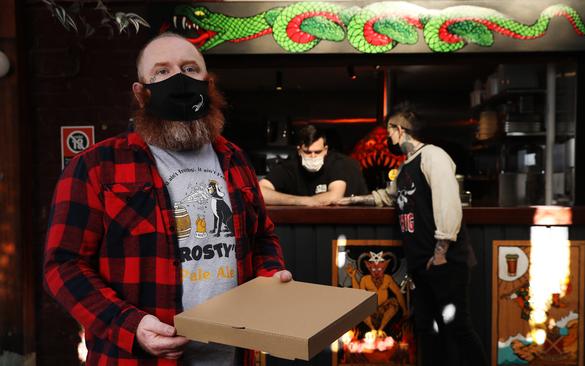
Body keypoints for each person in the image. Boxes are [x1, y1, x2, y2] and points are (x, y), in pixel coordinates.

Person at [43, 32, 292, 365]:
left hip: (231, 356)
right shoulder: (96, 166)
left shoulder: (235, 159)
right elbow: (63, 265)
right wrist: (131, 326)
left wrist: (270, 277)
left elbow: (263, 237)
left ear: (209, 83)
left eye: (190, 68)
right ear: (141, 93)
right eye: (161, 72)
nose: (179, 79)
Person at [338, 105, 487, 366]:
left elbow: (448, 204)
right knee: (427, 330)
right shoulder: (407, 164)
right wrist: (350, 201)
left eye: (389, 132)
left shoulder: (433, 156)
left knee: (457, 327)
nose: (388, 139)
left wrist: (441, 252)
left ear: (399, 130)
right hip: (422, 263)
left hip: (444, 261)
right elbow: (388, 196)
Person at [259, 124, 368, 206]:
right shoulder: (290, 166)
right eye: (307, 152)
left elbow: (335, 196)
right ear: (299, 151)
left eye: (317, 152)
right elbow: (260, 192)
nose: (312, 156)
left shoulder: (336, 163)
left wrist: (312, 201)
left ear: (325, 150)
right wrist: (302, 201)